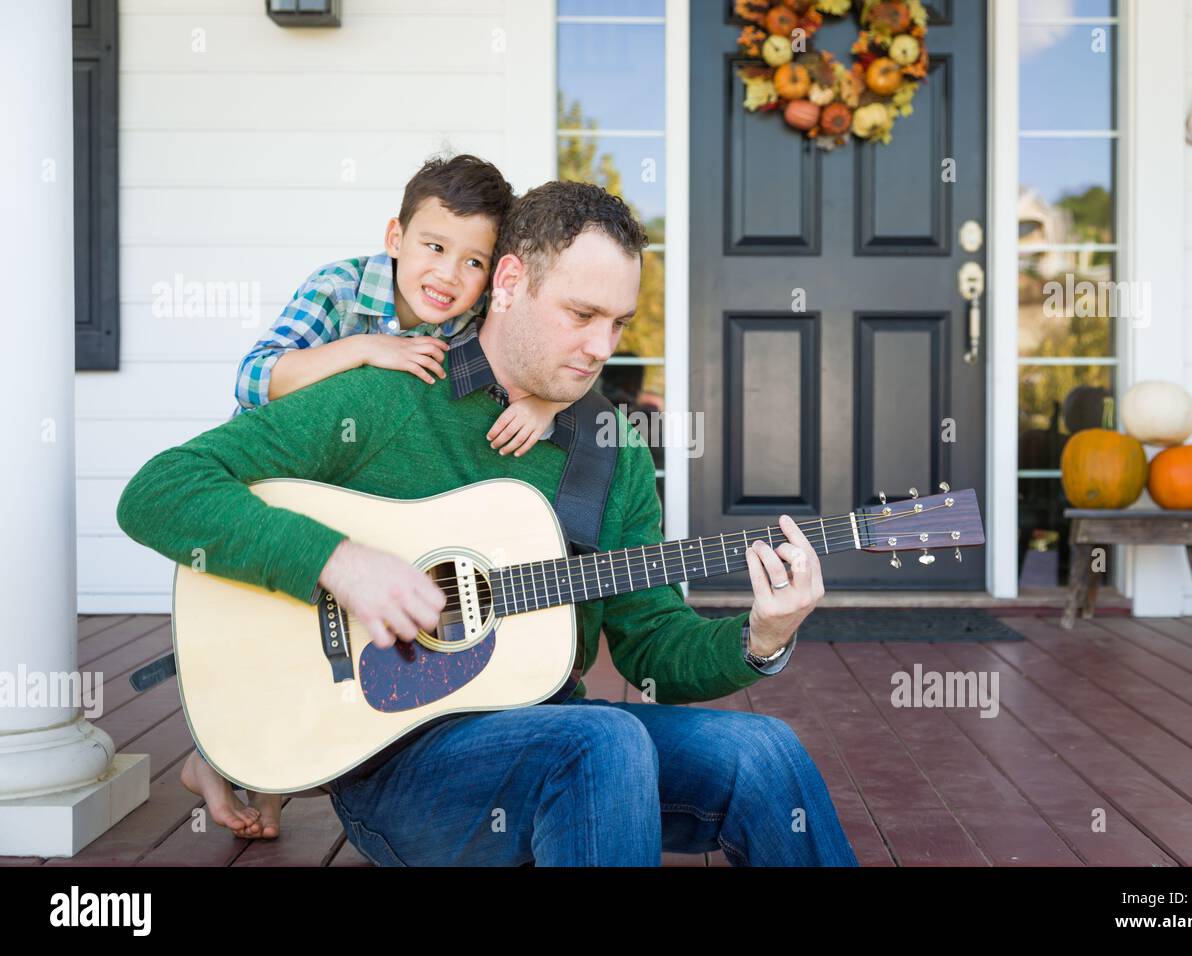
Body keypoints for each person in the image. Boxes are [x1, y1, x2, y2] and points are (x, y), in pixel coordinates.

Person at [117, 180, 858, 866]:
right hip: (399, 764)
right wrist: (338, 561)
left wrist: (760, 639)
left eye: (619, 323)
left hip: (552, 730)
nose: (604, 348)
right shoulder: (386, 397)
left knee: (767, 752)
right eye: (581, 315)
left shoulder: (612, 450)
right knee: (601, 741)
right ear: (508, 284)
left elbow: (651, 646)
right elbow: (160, 490)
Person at [182, 154, 571, 840]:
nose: (449, 276)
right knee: (248, 621)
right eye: (433, 247)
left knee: (313, 640)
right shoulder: (339, 290)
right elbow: (253, 378)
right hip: (276, 490)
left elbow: (530, 350)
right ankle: (214, 756)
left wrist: (543, 400)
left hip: (357, 504)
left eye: (474, 262)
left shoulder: (472, 313)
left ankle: (268, 769)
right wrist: (365, 348)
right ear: (395, 237)